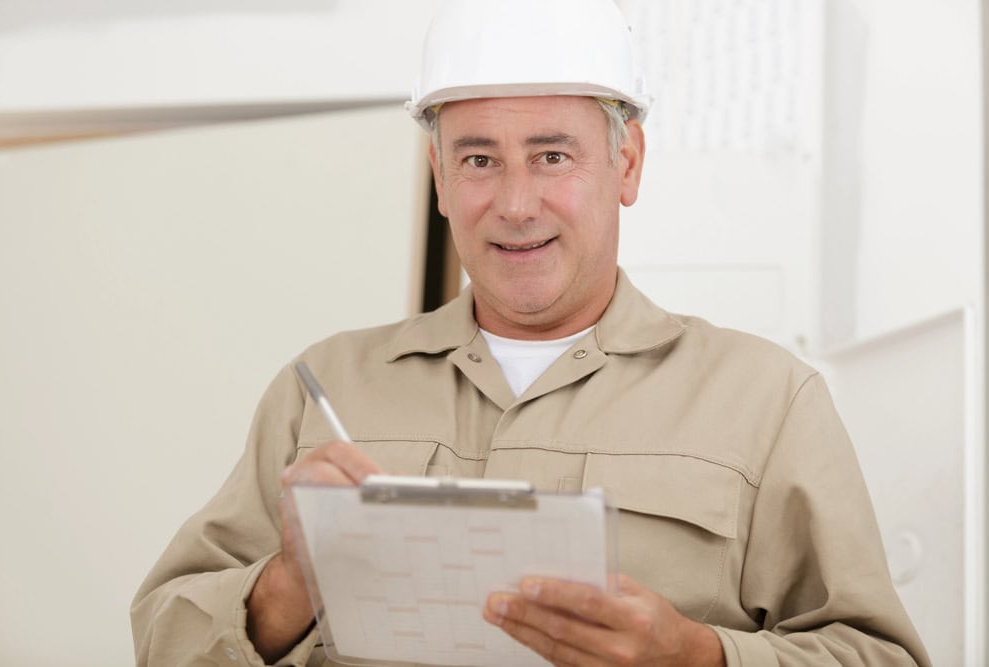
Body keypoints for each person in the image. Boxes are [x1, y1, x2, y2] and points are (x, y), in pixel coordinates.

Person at [132, 0, 931, 665]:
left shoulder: (767, 401)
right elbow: (161, 634)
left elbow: (882, 655)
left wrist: (698, 655)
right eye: (478, 160)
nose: (515, 204)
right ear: (441, 178)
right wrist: (285, 587)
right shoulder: (324, 386)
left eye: (551, 155)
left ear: (627, 165)